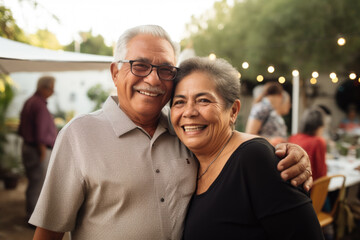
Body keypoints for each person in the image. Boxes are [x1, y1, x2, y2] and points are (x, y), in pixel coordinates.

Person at [30, 25, 313, 240]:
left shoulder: (183, 135)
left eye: (165, 70)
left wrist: (287, 152)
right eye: (139, 65)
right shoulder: (79, 135)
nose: (152, 78)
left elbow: (234, 150)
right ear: (116, 72)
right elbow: (48, 233)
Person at [170, 57, 324, 239]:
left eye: (203, 100)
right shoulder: (187, 158)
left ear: (233, 111)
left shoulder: (254, 159)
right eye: (179, 102)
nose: (189, 112)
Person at [18, 76, 57, 223]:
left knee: (34, 182)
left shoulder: (30, 101)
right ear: (44, 88)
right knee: (38, 183)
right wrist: (42, 152)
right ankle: (33, 219)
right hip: (37, 149)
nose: (53, 91)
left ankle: (31, 215)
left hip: (29, 147)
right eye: (51, 88)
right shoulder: (39, 105)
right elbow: (40, 133)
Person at [289, 108, 327, 181]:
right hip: (310, 186)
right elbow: (321, 173)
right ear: (320, 126)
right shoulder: (318, 141)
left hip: (293, 184)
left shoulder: (293, 137)